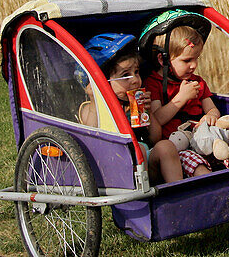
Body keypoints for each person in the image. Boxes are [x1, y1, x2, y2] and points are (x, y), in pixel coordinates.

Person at [143, 21, 229, 178]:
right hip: (179, 147)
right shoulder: (153, 83)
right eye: (187, 60)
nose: (194, 65)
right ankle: (211, 192)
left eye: (196, 58)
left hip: (204, 136)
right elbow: (157, 119)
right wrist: (181, 98)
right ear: (163, 60)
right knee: (195, 164)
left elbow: (212, 109)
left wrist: (211, 116)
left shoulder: (197, 82)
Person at [77, 33, 185, 183]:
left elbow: (154, 138)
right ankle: (140, 201)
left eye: (136, 72)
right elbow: (91, 134)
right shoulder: (91, 107)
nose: (135, 80)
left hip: (146, 160)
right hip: (116, 166)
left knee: (165, 146)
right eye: (125, 75)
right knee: (137, 149)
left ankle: (177, 191)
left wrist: (149, 113)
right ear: (102, 81)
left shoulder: (134, 103)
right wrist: (95, 99)